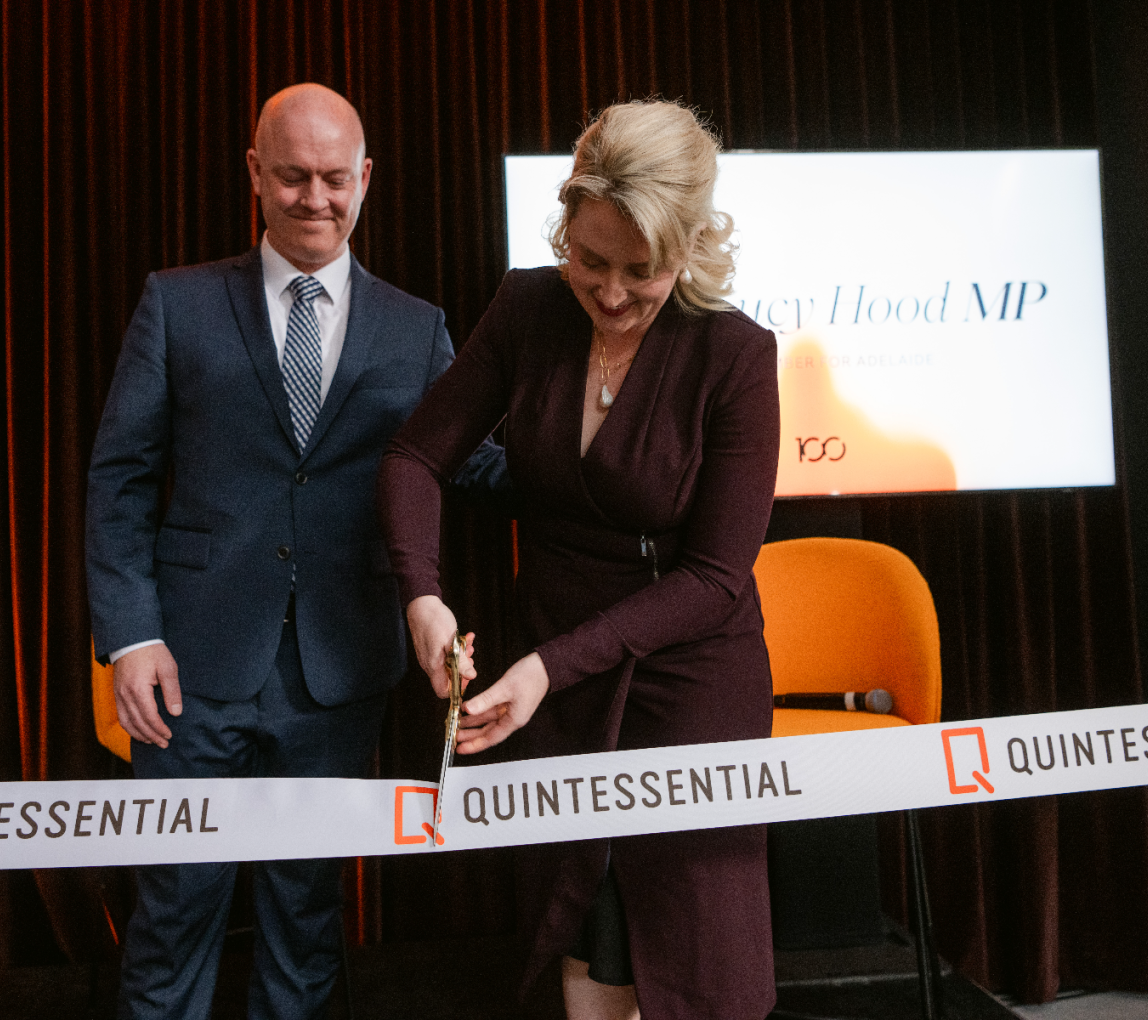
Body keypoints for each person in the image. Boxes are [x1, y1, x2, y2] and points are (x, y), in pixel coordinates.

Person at [86, 83, 502, 1020]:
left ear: (366, 178)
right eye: (292, 178)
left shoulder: (416, 325)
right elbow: (119, 479)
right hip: (187, 668)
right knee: (175, 912)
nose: (315, 199)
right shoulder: (177, 304)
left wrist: (606, 454)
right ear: (254, 175)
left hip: (339, 666)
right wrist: (130, 635)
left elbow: (469, 464)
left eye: (333, 179)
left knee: (307, 919)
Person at [379, 100, 781, 1020]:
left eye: (640, 272)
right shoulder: (528, 307)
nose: (607, 292)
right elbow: (412, 458)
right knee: (582, 915)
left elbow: (716, 581)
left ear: (691, 247)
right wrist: (423, 599)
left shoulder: (735, 355)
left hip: (688, 677)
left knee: (693, 949)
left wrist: (546, 670)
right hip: (552, 666)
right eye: (590, 259)